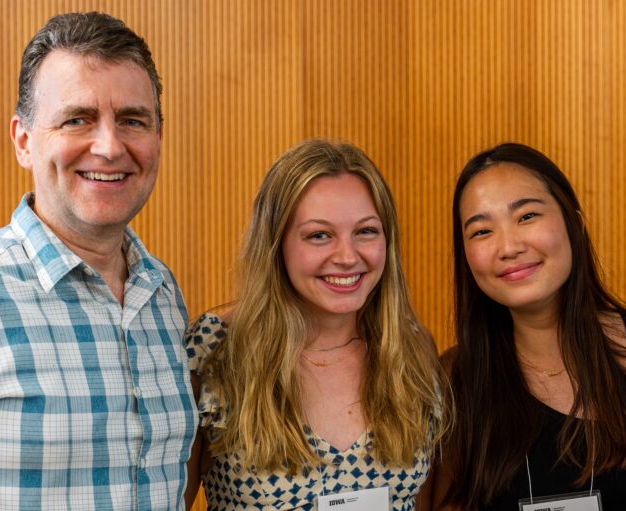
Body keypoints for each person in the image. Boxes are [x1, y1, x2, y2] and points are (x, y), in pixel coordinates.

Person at [0, 12, 196, 510]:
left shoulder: (162, 294)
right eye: (76, 119)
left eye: (132, 121)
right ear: (23, 140)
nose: (109, 146)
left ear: (158, 139)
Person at [183, 139, 446, 510]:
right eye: (319, 235)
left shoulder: (411, 345)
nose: (347, 256)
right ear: (277, 244)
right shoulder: (215, 348)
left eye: (366, 231)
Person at [429, 143, 626, 510]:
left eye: (527, 216)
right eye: (481, 231)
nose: (508, 246)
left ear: (574, 223)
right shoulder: (456, 380)